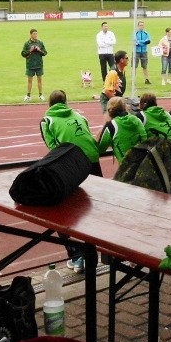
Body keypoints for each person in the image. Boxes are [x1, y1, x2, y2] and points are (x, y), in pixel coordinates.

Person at [40, 90, 101, 272]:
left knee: (62, 210)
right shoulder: (79, 116)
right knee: (94, 208)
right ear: (66, 102)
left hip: (72, 164)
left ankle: (77, 256)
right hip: (92, 160)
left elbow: (53, 148)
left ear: (49, 104)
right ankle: (93, 254)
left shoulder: (47, 120)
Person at [97, 96, 147, 165]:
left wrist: (102, 130)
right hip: (144, 163)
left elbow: (100, 149)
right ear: (125, 108)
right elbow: (144, 139)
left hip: (126, 167)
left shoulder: (112, 126)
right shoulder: (137, 120)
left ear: (109, 111)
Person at [21, 28, 47, 102]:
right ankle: (28, 95)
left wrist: (39, 50)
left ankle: (40, 95)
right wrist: (30, 50)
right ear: (31, 34)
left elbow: (45, 53)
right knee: (30, 80)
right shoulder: (27, 44)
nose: (36, 35)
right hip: (30, 64)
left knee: (39, 80)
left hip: (39, 64)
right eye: (34, 34)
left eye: (36, 34)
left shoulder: (40, 43)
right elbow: (23, 54)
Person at [133, 20, 152, 85]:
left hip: (144, 51)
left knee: (145, 66)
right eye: (140, 25)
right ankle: (133, 80)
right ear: (138, 26)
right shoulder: (135, 33)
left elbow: (148, 41)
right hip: (136, 52)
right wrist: (143, 42)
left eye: (142, 25)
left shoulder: (146, 33)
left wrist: (140, 42)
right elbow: (135, 42)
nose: (142, 26)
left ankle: (147, 79)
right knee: (134, 66)